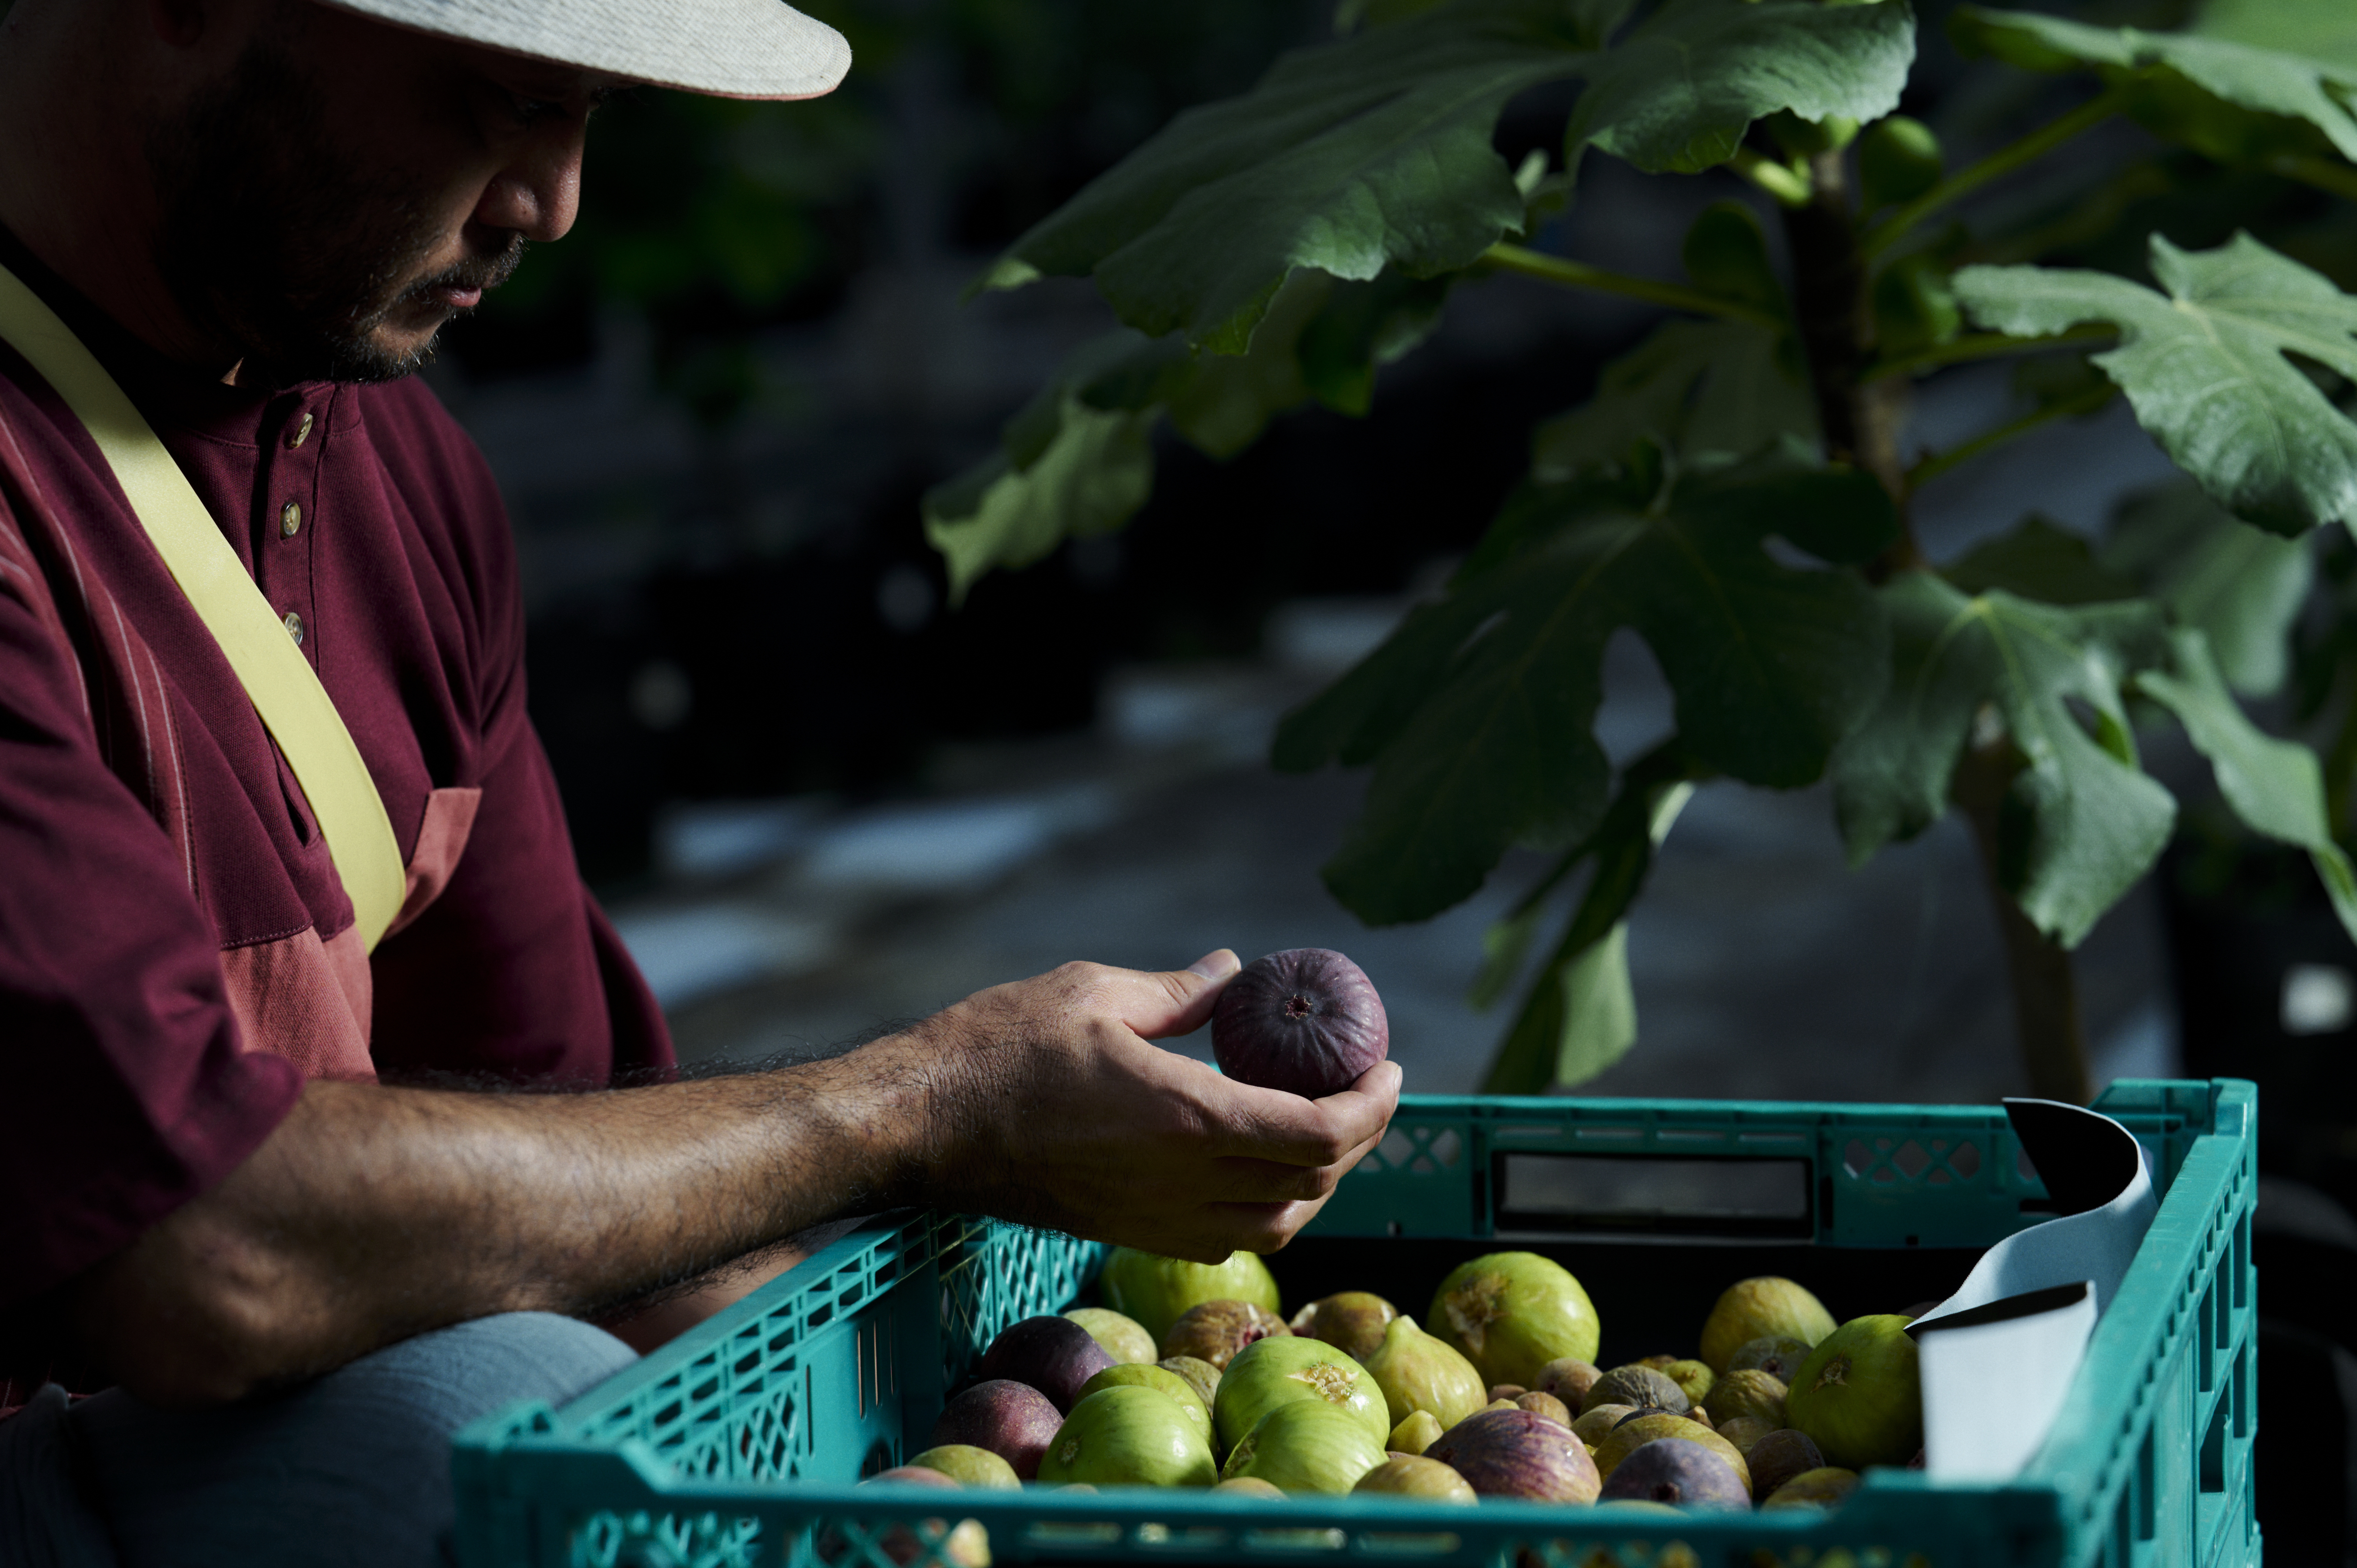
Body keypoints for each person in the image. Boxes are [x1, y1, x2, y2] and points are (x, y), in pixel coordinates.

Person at [0, 0, 1403, 1560]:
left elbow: (584, 1150)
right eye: (503, 99)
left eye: (589, 115)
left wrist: (933, 1437)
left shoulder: (395, 472)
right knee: (498, 1412)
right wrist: (927, 1104)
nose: (554, 202)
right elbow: (210, 1252)